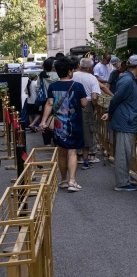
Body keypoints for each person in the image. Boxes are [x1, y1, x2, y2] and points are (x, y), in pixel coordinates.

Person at [40, 57, 90, 192]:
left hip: (58, 125)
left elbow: (49, 103)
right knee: (72, 152)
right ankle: (72, 181)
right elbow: (84, 103)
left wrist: (43, 121)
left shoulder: (52, 86)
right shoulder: (78, 86)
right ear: (69, 72)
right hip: (74, 124)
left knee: (61, 153)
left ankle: (63, 180)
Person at [103, 55, 137, 192]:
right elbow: (116, 99)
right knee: (123, 152)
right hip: (125, 119)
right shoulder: (127, 80)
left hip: (126, 118)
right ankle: (122, 182)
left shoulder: (128, 78)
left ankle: (124, 180)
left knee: (125, 152)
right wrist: (109, 112)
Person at [73, 57, 103, 169]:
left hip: (72, 105)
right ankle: (85, 160)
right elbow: (94, 97)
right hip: (87, 106)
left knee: (74, 130)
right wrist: (95, 107)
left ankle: (74, 157)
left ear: (80, 65)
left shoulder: (73, 75)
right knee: (87, 131)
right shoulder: (92, 78)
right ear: (90, 67)